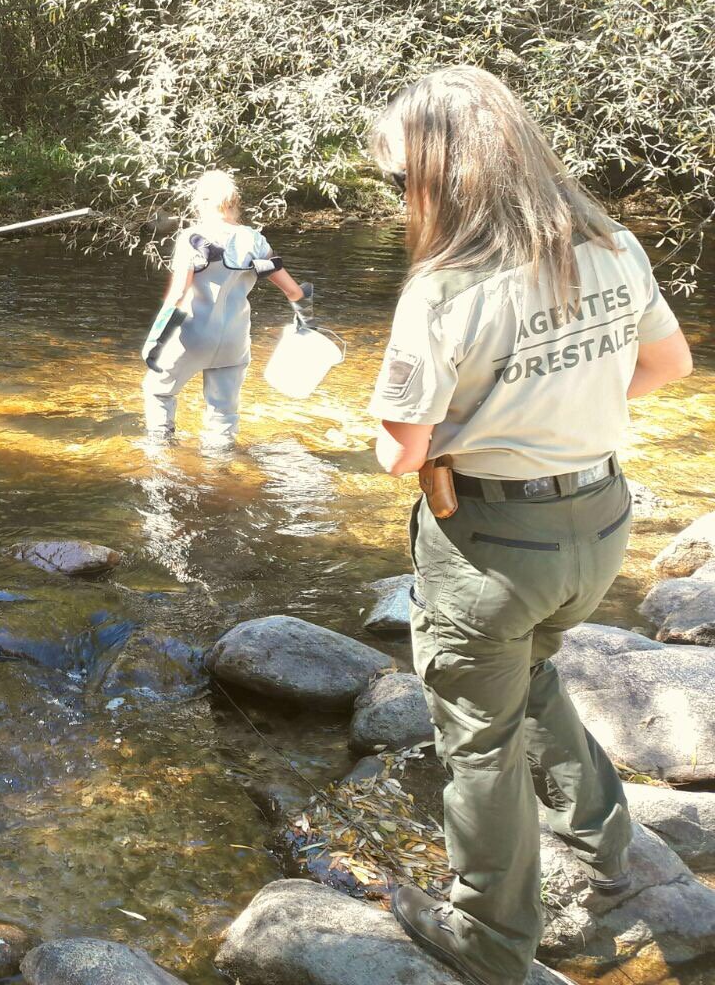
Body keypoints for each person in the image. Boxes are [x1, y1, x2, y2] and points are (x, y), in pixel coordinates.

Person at [368, 66, 693, 985]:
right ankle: (602, 832)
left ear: (440, 174)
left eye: (401, 180)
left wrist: (485, 422)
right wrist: (560, 405)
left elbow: (401, 453)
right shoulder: (612, 243)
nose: (400, 195)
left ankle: (490, 939)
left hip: (492, 546)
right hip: (600, 522)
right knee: (534, 664)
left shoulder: (443, 288)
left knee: (475, 734)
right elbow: (667, 363)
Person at [141, 169, 309, 448]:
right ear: (234, 203)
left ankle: (161, 459)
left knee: (158, 391)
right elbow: (294, 291)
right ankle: (220, 474)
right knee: (223, 414)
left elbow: (178, 294)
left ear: (201, 203)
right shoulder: (255, 239)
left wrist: (155, 339)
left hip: (192, 336)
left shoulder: (192, 237)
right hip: (234, 341)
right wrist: (307, 322)